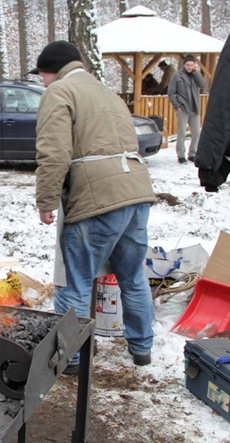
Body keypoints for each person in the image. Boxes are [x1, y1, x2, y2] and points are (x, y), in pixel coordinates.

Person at [31, 40, 157, 369]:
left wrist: (46, 199)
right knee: (132, 276)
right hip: (136, 191)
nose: (41, 82)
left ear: (51, 71)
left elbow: (53, 152)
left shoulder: (59, 92)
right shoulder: (107, 92)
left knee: (75, 281)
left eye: (42, 75)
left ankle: (69, 359)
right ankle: (142, 349)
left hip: (96, 199)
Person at [167, 54, 206, 164]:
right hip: (183, 108)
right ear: (184, 65)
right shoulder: (177, 76)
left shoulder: (195, 75)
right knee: (182, 133)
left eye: (191, 65)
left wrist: (197, 73)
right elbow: (171, 92)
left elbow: (203, 85)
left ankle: (192, 154)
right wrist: (177, 106)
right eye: (188, 65)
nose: (189, 67)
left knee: (196, 133)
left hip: (194, 108)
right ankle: (181, 155)